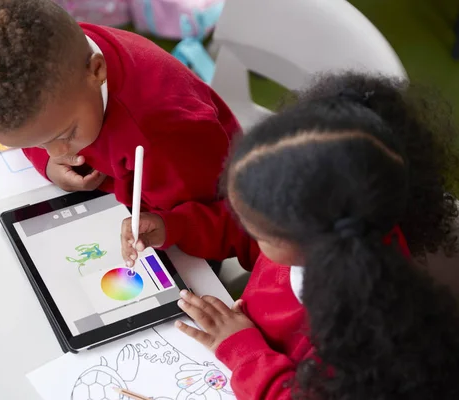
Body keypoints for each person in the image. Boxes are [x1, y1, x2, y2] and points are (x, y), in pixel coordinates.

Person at [121, 73, 459, 399]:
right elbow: (242, 231)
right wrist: (175, 227)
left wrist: (242, 349)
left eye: (257, 226)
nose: (244, 223)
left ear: (305, 239)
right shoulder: (320, 222)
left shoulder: (363, 329)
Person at [0, 0, 241, 266]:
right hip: (126, 198)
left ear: (97, 70)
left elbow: (231, 224)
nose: (60, 153)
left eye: (66, 134)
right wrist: (46, 164)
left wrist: (171, 226)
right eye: (39, 144)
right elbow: (41, 133)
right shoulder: (62, 62)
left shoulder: (165, 137)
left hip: (191, 225)